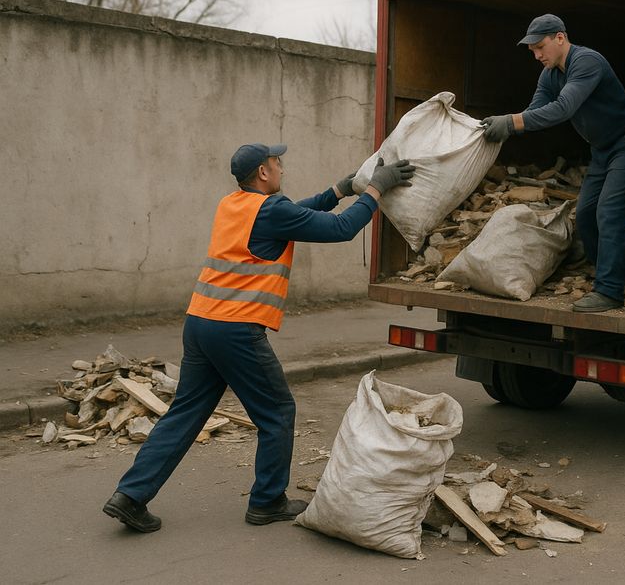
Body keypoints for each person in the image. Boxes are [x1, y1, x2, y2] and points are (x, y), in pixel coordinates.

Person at [102, 144, 415, 532]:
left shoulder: (233, 204)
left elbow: (294, 213)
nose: (282, 166)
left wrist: (340, 189)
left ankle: (130, 496)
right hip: (235, 330)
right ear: (264, 173)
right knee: (277, 413)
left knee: (184, 413)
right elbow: (340, 229)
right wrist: (374, 190)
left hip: (200, 323)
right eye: (277, 162)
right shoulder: (270, 211)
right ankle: (267, 502)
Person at [481, 14, 625, 313]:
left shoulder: (587, 62)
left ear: (560, 38)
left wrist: (511, 122)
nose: (536, 55)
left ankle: (610, 292)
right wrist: (506, 128)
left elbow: (563, 108)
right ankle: (616, 274)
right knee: (585, 215)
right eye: (532, 50)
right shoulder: (549, 74)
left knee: (609, 211)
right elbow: (536, 112)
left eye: (540, 47)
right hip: (601, 149)